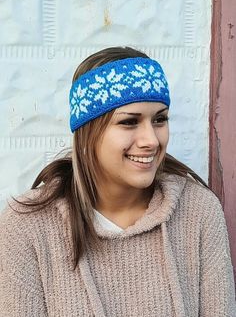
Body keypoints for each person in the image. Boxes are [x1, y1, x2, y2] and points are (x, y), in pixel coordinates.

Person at [0, 46, 235, 317]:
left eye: (159, 119)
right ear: (88, 131)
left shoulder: (198, 212)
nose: (151, 140)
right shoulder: (26, 228)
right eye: (129, 122)